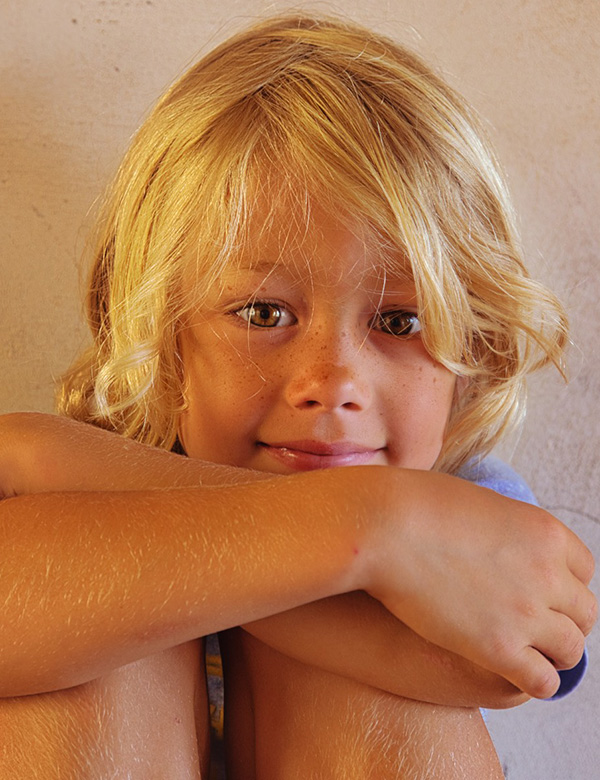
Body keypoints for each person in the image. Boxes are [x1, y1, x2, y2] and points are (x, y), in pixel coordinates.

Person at [0, 14, 595, 779]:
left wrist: (377, 525)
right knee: (98, 640)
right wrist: (363, 533)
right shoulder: (96, 491)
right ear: (164, 333)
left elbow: (512, 666)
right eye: (262, 314)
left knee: (370, 683)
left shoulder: (460, 512)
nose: (335, 384)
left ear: (469, 354)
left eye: (398, 321)